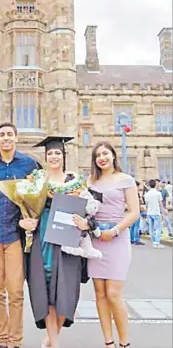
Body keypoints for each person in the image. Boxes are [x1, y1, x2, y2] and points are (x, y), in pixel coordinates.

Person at [23, 136, 90, 348]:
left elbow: (88, 209)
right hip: (43, 234)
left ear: (63, 156)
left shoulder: (75, 182)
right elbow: (24, 207)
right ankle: (55, 342)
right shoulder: (36, 181)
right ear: (45, 157)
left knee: (66, 291)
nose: (53, 156)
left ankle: (52, 338)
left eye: (57, 153)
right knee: (45, 287)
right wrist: (25, 221)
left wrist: (86, 223)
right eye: (50, 153)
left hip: (67, 237)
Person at [0, 122, 38, 348]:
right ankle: (2, 339)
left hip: (15, 235)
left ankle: (16, 341)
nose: (6, 138)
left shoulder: (28, 164)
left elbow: (36, 197)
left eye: (10, 134)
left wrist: (30, 221)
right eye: (2, 134)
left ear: (16, 138)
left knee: (15, 292)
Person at [87, 141, 140, 348]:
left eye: (105, 153)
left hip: (117, 238)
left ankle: (124, 342)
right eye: (98, 155)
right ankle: (108, 342)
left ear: (113, 156)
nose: (102, 157)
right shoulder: (90, 181)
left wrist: (115, 230)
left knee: (114, 293)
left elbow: (134, 212)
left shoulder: (125, 180)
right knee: (99, 293)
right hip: (96, 238)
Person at [144, 179, 164, 248]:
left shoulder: (146, 194)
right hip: (156, 212)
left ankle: (153, 242)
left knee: (151, 228)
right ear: (155, 185)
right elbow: (161, 204)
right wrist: (163, 212)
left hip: (149, 212)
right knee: (158, 228)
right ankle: (157, 242)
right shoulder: (158, 193)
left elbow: (146, 204)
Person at [129, 181, 145, 245]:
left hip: (131, 211)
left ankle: (131, 238)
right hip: (136, 210)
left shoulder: (130, 193)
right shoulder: (135, 193)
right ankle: (136, 239)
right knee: (136, 226)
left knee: (132, 226)